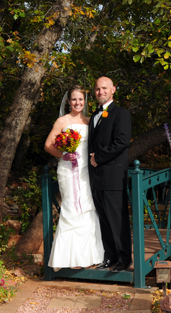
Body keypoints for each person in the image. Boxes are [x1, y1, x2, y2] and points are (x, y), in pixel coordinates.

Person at [44, 85, 104, 269]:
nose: (78, 102)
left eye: (81, 99)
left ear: (85, 101)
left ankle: (87, 257)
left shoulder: (89, 121)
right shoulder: (62, 121)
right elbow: (48, 145)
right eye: (74, 99)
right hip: (68, 169)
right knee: (71, 207)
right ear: (69, 102)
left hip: (86, 171)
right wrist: (63, 154)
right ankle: (69, 259)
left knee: (87, 207)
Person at [88, 77, 132, 272]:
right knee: (104, 219)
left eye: (104, 88)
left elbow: (122, 142)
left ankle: (124, 259)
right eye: (97, 89)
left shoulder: (121, 114)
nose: (100, 92)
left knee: (117, 219)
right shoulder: (94, 116)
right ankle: (110, 256)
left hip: (114, 176)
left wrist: (99, 157)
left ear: (113, 89)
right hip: (96, 177)